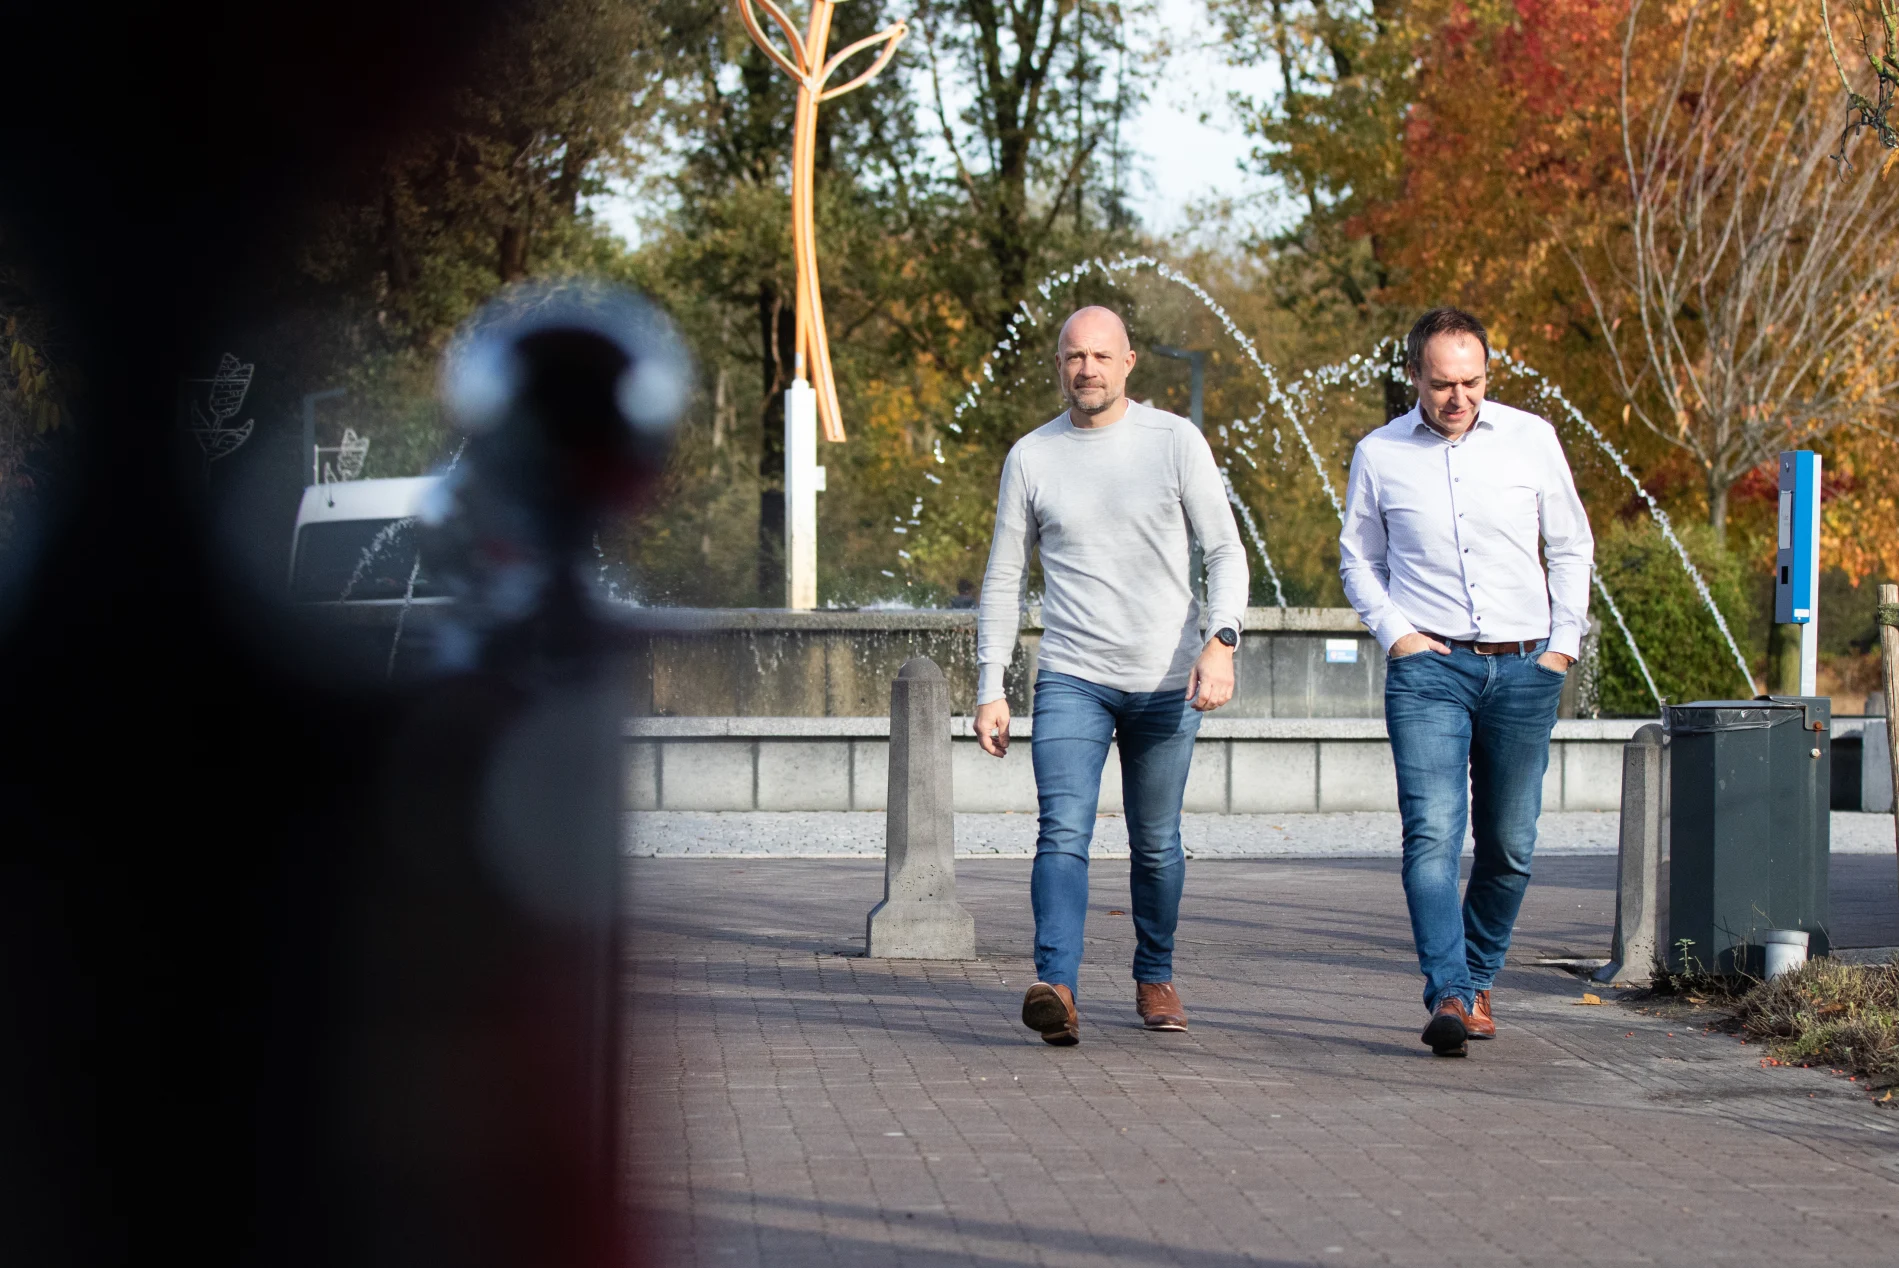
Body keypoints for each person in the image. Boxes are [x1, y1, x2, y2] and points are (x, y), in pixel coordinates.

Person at [973, 305, 1248, 1046]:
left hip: (1164, 680)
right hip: (1072, 675)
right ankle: (1055, 985)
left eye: (1100, 355)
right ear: (1057, 366)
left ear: (1129, 363)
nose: (1086, 368)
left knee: (1156, 842)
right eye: (1072, 356)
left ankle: (1153, 974)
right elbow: (1003, 577)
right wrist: (989, 684)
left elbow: (1225, 552)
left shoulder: (1172, 440)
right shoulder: (1031, 456)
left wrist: (1219, 642)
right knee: (1060, 831)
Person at [1339, 308, 1595, 1057]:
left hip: (1523, 666)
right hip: (1429, 672)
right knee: (1430, 840)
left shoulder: (1530, 439)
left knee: (1509, 844)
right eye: (1443, 382)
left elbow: (1570, 544)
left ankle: (1479, 976)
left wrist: (1562, 647)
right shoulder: (1379, 453)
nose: (1458, 397)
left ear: (1488, 374)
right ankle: (1449, 992)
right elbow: (1357, 559)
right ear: (1414, 374)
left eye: (1472, 381)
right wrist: (1400, 636)